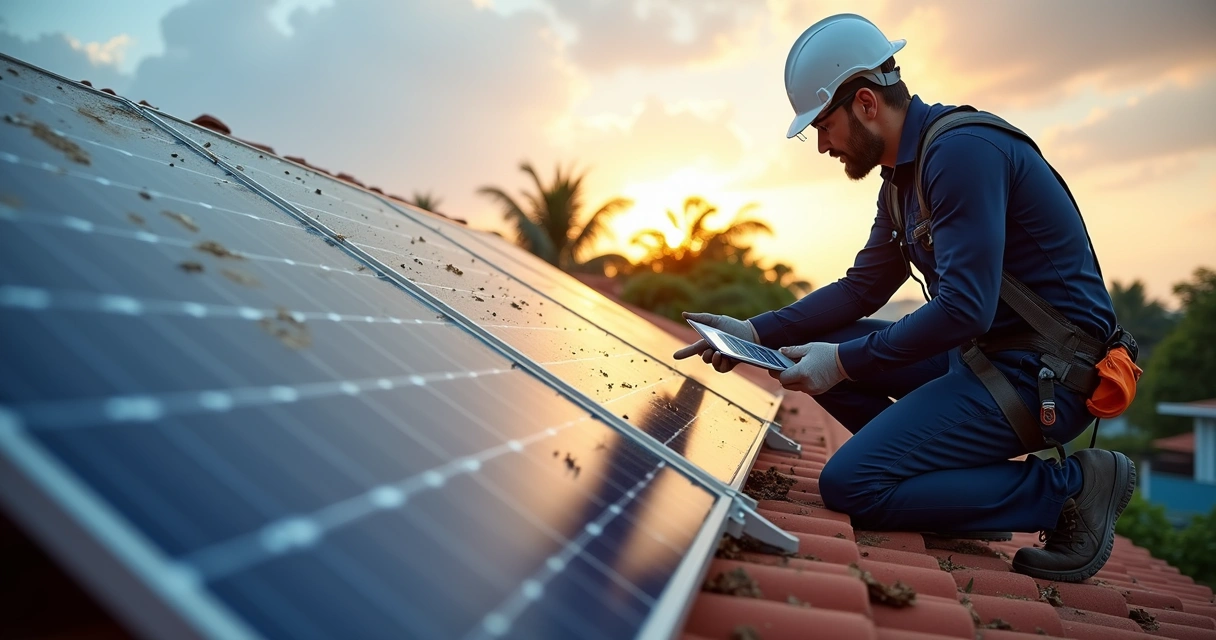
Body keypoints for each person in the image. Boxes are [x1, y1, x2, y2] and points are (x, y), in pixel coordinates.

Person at [674, 14, 1137, 583]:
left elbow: (967, 309)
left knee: (851, 485)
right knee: (815, 344)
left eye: (822, 125)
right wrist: (757, 332)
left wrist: (842, 364)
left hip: (1041, 377)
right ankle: (954, 496)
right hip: (984, 361)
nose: (820, 145)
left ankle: (1071, 491)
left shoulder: (962, 154)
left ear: (866, 103)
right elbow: (863, 288)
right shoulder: (902, 181)